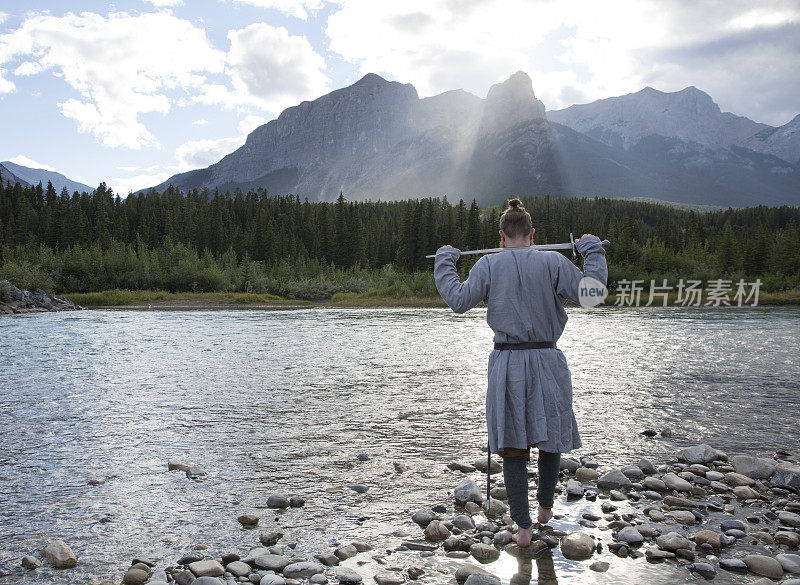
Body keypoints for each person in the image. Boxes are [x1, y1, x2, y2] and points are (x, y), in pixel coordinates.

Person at [433, 198, 607, 547]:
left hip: (508, 361)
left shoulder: (487, 265)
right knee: (549, 433)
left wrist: (445, 260)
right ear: (532, 233)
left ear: (501, 235)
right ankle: (544, 507)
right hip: (547, 359)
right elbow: (593, 295)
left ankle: (524, 529)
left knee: (513, 444)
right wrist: (592, 253)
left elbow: (457, 299)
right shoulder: (554, 261)